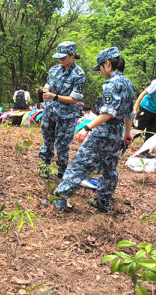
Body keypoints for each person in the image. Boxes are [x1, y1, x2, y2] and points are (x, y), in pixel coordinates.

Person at [42, 47, 135, 212]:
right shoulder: (128, 84)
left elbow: (107, 113)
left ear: (107, 63)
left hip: (103, 133)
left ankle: (59, 201)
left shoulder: (111, 84)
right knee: (109, 170)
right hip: (116, 134)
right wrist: (127, 133)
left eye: (100, 67)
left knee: (79, 165)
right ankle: (103, 202)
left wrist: (87, 127)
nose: (100, 71)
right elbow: (129, 112)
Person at [38, 41, 86, 182]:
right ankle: (45, 166)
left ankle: (61, 171)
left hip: (66, 115)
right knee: (47, 141)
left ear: (73, 55)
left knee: (63, 144)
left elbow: (74, 99)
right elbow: (48, 85)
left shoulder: (79, 74)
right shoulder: (54, 70)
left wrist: (55, 97)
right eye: (59, 57)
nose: (60, 60)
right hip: (49, 112)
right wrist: (45, 90)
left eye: (63, 57)